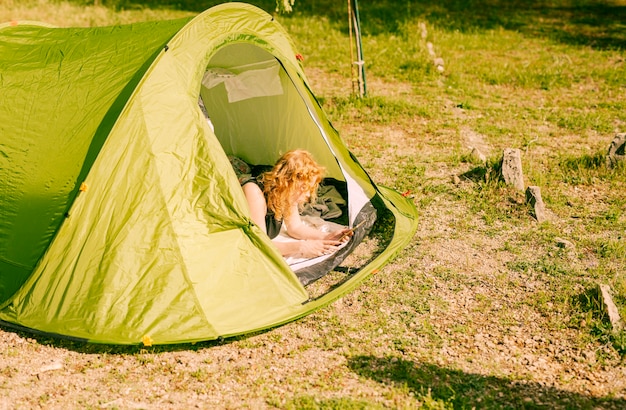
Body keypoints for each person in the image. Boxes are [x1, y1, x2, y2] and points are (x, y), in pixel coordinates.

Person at [241, 149, 352, 258]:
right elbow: (259, 244)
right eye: (304, 187)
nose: (308, 194)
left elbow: (295, 227)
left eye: (310, 188)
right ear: (287, 181)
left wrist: (327, 237)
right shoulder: (254, 193)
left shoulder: (285, 194)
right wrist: (301, 247)